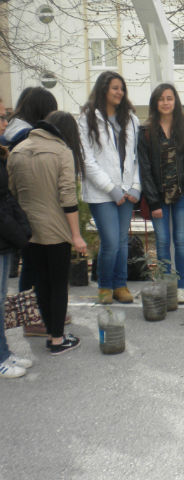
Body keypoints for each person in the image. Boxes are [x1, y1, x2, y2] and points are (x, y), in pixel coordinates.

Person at [8, 111, 87, 354]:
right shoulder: (62, 151)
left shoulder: (17, 150)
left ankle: (52, 334)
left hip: (28, 230)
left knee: (41, 281)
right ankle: (57, 339)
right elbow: (67, 195)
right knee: (58, 283)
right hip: (56, 229)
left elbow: (12, 192)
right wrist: (76, 235)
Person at [79, 71, 140, 304]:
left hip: (126, 190)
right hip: (101, 192)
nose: (119, 92)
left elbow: (135, 158)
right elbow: (86, 160)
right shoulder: (87, 119)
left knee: (122, 240)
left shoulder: (131, 119)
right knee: (111, 242)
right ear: (103, 89)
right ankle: (105, 286)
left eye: (122, 89)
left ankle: (120, 285)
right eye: (115, 88)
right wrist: (110, 188)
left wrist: (135, 187)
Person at [138, 84, 184, 303]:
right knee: (163, 241)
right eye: (161, 99)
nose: (166, 103)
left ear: (176, 102)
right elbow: (144, 169)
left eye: (170, 98)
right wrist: (153, 202)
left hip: (182, 195)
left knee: (181, 240)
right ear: (155, 102)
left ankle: (181, 285)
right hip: (158, 198)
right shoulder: (145, 132)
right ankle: (167, 286)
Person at [0, 87, 58, 300]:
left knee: (30, 264)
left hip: (16, 205)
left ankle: (33, 315)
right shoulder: (26, 135)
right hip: (26, 206)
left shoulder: (11, 130)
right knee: (33, 265)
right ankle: (32, 317)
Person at [0, 94, 34, 377]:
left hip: (5, 237)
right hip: (4, 235)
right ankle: (1, 358)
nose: (5, 123)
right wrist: (20, 236)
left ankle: (5, 353)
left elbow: (7, 197)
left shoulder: (1, 151)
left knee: (1, 299)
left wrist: (21, 227)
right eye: (0, 117)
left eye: (5, 116)